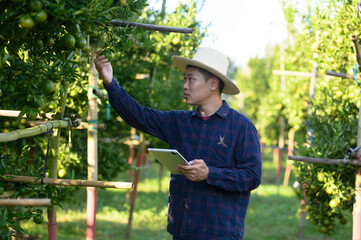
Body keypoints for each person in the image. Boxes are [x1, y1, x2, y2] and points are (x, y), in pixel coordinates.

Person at [94, 47, 262, 240]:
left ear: (213, 84)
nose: (185, 85)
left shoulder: (241, 127)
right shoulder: (179, 122)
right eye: (185, 79)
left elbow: (252, 176)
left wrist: (210, 173)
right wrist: (110, 82)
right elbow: (139, 116)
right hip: (183, 230)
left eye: (191, 79)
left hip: (219, 233)